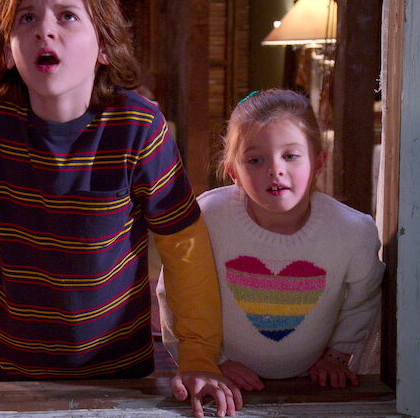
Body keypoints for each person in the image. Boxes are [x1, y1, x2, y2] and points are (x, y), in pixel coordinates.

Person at [0, 0, 241, 418]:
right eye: (27, 18)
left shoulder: (139, 125)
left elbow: (184, 251)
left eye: (67, 16)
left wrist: (198, 358)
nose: (44, 30)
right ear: (8, 49)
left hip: (119, 372)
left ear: (104, 45)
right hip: (6, 368)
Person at [157, 88, 384, 393]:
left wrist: (337, 356)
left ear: (318, 162)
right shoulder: (208, 218)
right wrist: (210, 361)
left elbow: (363, 299)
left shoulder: (353, 231)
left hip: (312, 382)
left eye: (290, 156)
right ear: (233, 172)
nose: (275, 169)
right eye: (255, 160)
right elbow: (175, 293)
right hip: (226, 378)